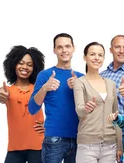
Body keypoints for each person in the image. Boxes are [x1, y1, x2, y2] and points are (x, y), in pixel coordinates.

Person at [28, 33, 85, 163]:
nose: (64, 50)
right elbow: (32, 108)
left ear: (73, 48)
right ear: (54, 50)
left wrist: (79, 87)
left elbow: (90, 109)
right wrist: (45, 88)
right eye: (59, 47)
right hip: (54, 139)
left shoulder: (81, 77)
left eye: (67, 46)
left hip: (79, 138)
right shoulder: (45, 75)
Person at [73, 42, 123, 162]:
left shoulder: (111, 84)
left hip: (110, 146)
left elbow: (116, 116)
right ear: (85, 57)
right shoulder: (80, 82)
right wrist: (86, 108)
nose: (96, 58)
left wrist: (119, 146)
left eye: (100, 55)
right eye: (92, 54)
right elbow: (79, 110)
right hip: (87, 146)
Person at [0, 45, 45, 163]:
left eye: (29, 65)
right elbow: (2, 94)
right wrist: (1, 94)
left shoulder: (39, 89)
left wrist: (49, 127)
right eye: (21, 63)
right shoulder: (7, 90)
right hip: (15, 148)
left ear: (35, 68)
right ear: (13, 64)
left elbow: (57, 108)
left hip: (38, 146)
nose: (25, 67)